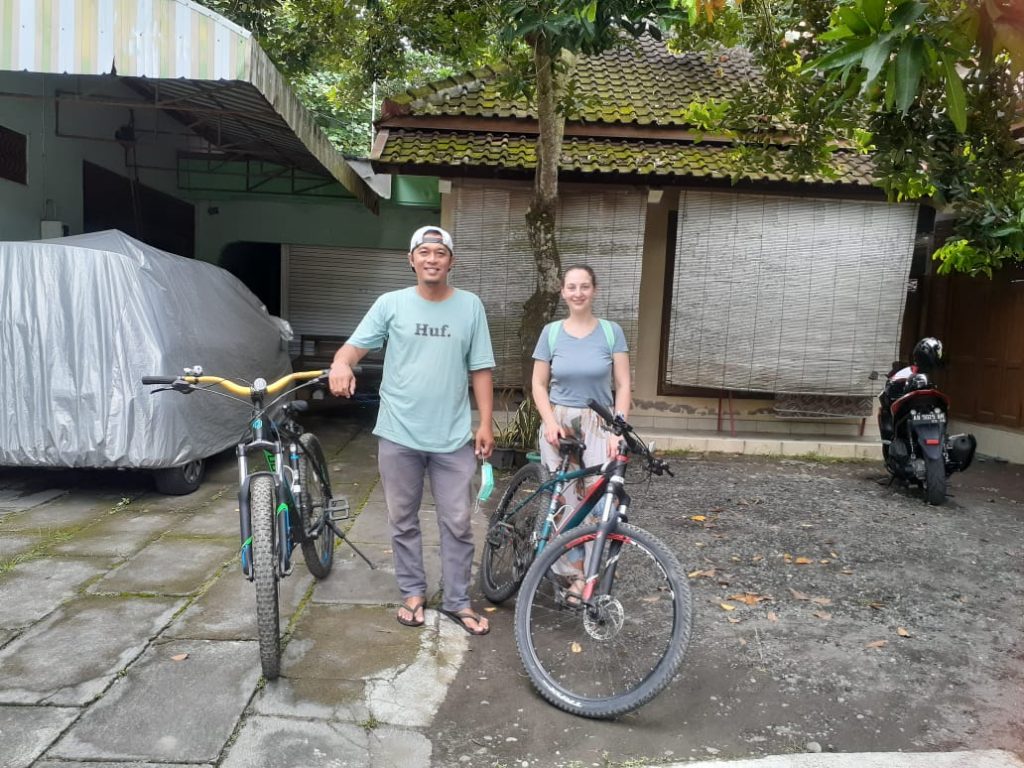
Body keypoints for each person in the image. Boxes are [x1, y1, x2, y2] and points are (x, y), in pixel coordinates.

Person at [329, 226, 495, 636]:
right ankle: (413, 592)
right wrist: (340, 364)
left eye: (440, 252)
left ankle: (458, 600)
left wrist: (486, 422)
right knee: (402, 518)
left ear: (451, 261)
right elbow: (353, 347)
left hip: (453, 435)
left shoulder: (470, 306)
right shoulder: (391, 304)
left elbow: (481, 369)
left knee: (457, 520)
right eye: (424, 252)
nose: (432, 259)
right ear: (412, 259)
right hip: (399, 432)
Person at [530, 264, 630, 604]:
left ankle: (590, 575)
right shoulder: (551, 333)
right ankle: (570, 577)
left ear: (594, 290)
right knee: (566, 503)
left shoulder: (612, 332)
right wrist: (549, 422)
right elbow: (539, 384)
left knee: (602, 501)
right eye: (571, 287)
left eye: (584, 286)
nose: (577, 293)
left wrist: (619, 429)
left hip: (600, 424)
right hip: (560, 421)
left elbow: (623, 384)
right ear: (563, 292)